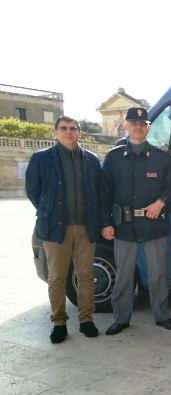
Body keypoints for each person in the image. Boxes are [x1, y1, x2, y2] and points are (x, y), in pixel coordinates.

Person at [99, 107, 171, 335]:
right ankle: (121, 318)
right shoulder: (114, 158)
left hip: (154, 224)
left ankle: (162, 316)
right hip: (123, 225)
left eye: (142, 124)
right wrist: (106, 223)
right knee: (123, 275)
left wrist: (161, 202)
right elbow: (104, 192)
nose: (138, 127)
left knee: (158, 275)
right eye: (133, 123)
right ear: (126, 126)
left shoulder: (161, 157)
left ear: (148, 128)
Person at [25, 116, 102, 344]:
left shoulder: (91, 160)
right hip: (55, 228)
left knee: (86, 276)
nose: (69, 132)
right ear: (55, 132)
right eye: (64, 129)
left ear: (79, 132)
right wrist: (50, 211)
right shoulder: (41, 159)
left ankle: (86, 319)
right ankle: (59, 322)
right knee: (57, 277)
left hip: (85, 227)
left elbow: (98, 192)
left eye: (73, 129)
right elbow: (33, 191)